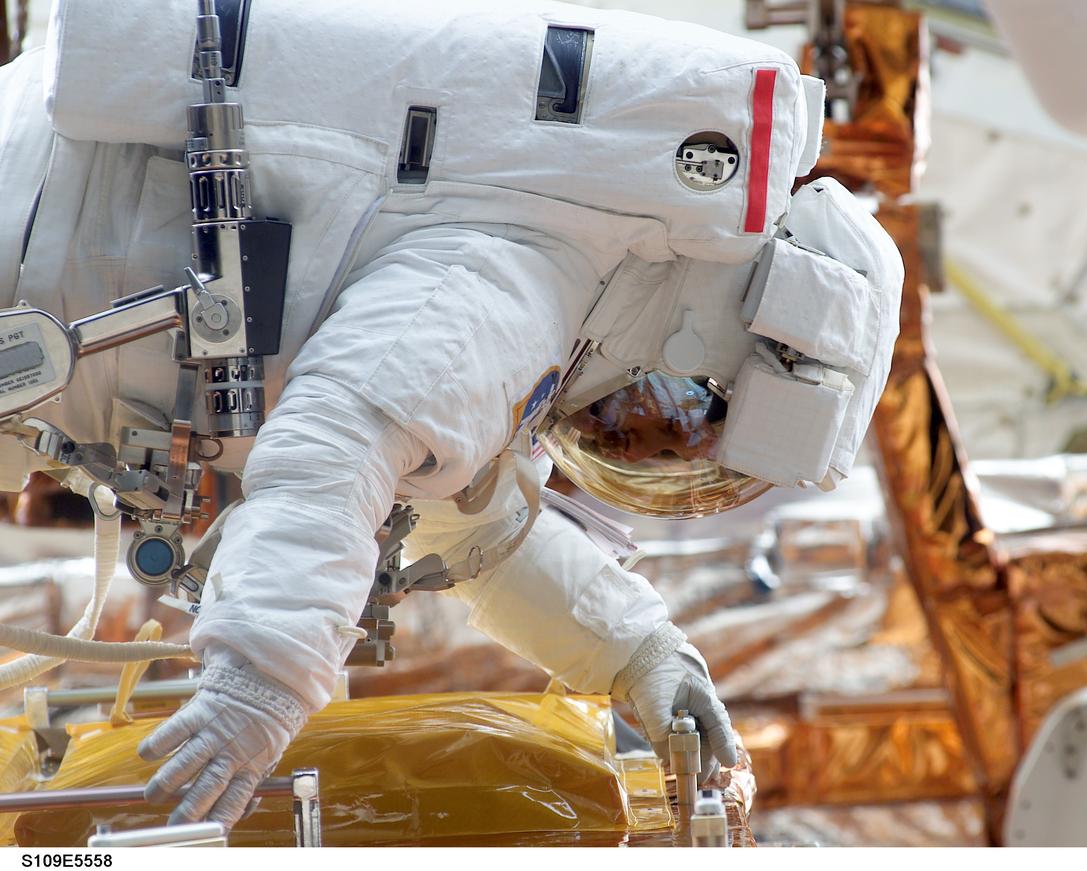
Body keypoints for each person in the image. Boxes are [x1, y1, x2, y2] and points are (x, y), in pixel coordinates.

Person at [0, 0, 903, 828]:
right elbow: (341, 441)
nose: (637, 439)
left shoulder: (562, 271)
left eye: (680, 448)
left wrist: (641, 651)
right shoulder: (525, 287)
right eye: (681, 422)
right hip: (33, 255)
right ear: (695, 344)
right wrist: (261, 681)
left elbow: (473, 520)